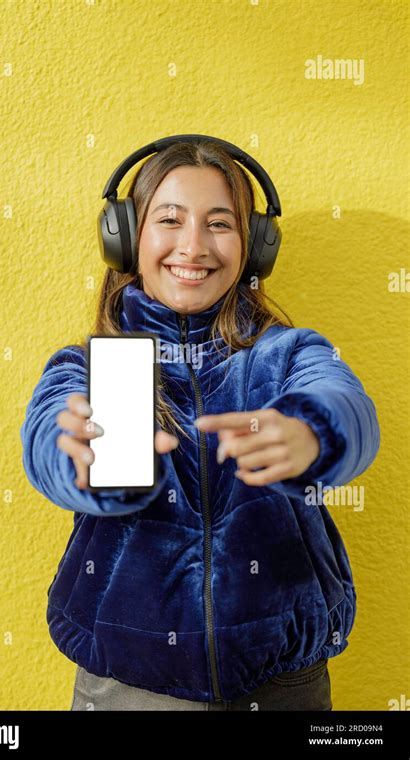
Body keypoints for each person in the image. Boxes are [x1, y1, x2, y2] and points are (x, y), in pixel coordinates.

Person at [20, 140, 380, 711]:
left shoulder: (288, 354)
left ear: (255, 248)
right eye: (169, 219)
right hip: (128, 690)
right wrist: (76, 461)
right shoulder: (86, 368)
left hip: (285, 687)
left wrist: (314, 431)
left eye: (220, 223)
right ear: (125, 237)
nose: (193, 246)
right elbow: (48, 436)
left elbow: (346, 406)